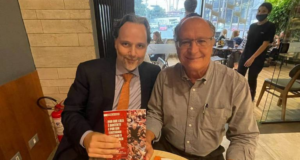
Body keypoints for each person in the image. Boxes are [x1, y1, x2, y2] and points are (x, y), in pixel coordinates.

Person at [145, 17, 259, 160]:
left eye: (201, 41)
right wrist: (146, 137)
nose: (193, 50)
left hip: (209, 156)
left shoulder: (235, 83)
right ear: (177, 45)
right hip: (168, 151)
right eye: (185, 42)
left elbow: (243, 136)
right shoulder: (165, 77)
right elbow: (155, 114)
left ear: (213, 43)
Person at [53, 14, 161, 160]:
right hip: (92, 149)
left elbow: (156, 113)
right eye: (126, 44)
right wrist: (87, 137)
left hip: (132, 149)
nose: (133, 53)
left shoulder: (153, 73)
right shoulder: (89, 71)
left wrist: (147, 137)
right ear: (115, 42)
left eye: (140, 46)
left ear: (147, 46)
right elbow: (70, 112)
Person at [237, 2, 276, 101]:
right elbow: (248, 41)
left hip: (257, 58)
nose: (260, 13)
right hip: (246, 55)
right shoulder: (252, 26)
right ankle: (237, 96)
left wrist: (252, 58)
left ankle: (251, 98)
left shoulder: (270, 26)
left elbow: (265, 44)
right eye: (259, 10)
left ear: (268, 12)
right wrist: (243, 52)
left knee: (252, 78)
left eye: (263, 11)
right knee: (239, 77)